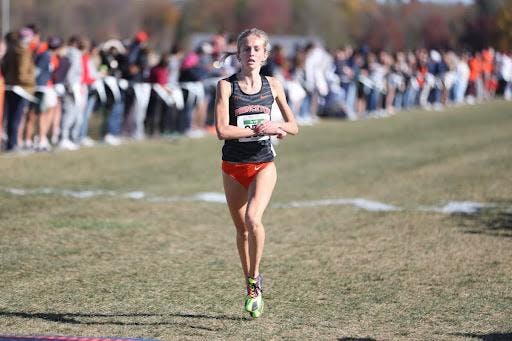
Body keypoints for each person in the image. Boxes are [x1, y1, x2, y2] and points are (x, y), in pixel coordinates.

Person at [214, 28, 298, 318]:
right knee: (242, 231)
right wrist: (256, 128)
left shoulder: (273, 85)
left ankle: (255, 279)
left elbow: (294, 125)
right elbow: (222, 130)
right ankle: (250, 282)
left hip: (263, 164)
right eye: (246, 49)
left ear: (265, 54)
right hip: (233, 167)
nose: (251, 53)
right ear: (237, 54)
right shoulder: (226, 86)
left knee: (253, 219)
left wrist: (277, 126)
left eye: (256, 49)